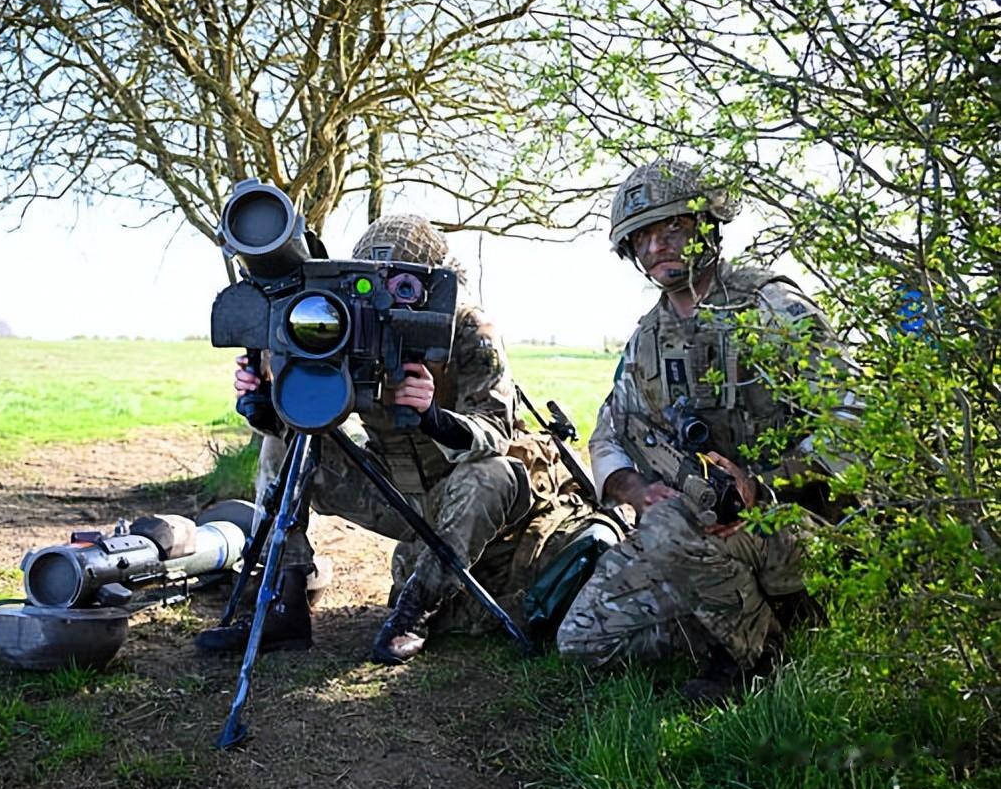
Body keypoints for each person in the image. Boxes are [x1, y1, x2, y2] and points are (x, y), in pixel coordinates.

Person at [556, 159, 856, 701]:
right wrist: (636, 490)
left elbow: (852, 422)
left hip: (800, 524)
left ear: (707, 225)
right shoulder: (647, 341)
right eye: (641, 237)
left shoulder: (771, 308)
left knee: (669, 529)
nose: (656, 247)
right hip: (699, 530)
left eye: (672, 227)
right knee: (583, 639)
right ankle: (750, 615)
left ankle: (757, 654)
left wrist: (762, 484)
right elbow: (608, 436)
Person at [196, 214, 542, 665]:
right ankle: (286, 600)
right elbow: (307, 420)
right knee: (283, 445)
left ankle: (416, 609)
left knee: (493, 473)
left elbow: (496, 431)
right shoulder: (346, 319)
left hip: (458, 495)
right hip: (390, 492)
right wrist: (265, 400)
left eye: (406, 285)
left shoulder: (469, 331)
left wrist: (434, 417)